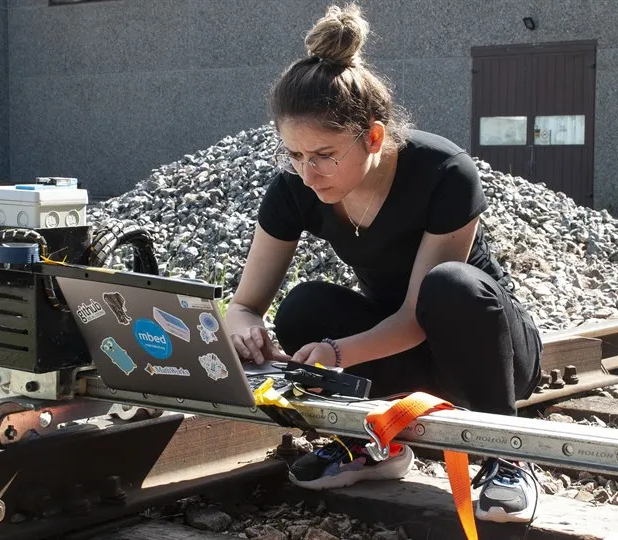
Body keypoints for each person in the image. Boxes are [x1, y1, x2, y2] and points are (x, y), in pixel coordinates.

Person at [223, 2, 544, 524]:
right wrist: (242, 328)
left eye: (324, 154)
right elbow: (244, 303)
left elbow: (419, 316)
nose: (308, 172)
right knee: (303, 305)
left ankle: (508, 455)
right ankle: (373, 445)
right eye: (295, 155)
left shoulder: (444, 172)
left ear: (373, 136)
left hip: (488, 355)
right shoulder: (295, 187)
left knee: (453, 285)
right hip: (398, 352)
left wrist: (333, 352)